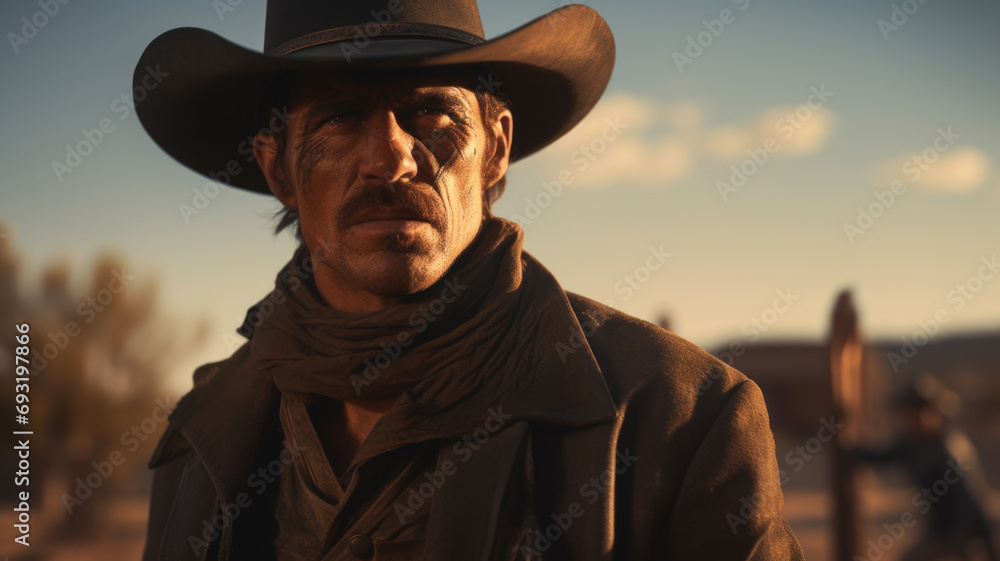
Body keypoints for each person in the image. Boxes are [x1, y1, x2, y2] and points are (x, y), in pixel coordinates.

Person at [135, 1, 805, 559]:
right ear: (277, 169)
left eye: (430, 113)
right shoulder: (201, 436)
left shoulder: (681, 421)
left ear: (496, 146)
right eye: (340, 117)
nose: (390, 158)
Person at [856, 375, 998, 561]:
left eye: (924, 411)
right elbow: (882, 457)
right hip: (939, 530)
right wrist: (848, 447)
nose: (918, 418)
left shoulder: (950, 450)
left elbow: (971, 503)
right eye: (911, 412)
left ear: (938, 413)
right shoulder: (913, 444)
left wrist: (984, 546)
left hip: (963, 532)